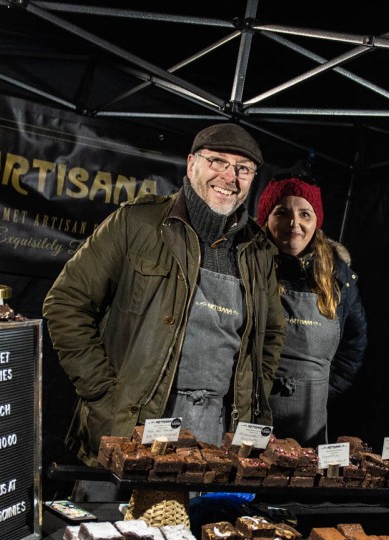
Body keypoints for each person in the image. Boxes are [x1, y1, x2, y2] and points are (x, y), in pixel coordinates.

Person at [43, 123, 287, 463]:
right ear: (191, 165)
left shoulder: (257, 250)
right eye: (217, 162)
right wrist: (104, 394)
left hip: (216, 434)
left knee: (206, 517)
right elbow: (65, 304)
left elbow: (272, 332)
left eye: (242, 169)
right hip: (133, 426)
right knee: (113, 515)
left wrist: (251, 405)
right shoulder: (137, 223)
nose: (229, 177)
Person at [256, 175, 367, 445]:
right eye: (282, 212)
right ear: (265, 220)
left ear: (316, 222)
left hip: (311, 421)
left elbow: (355, 343)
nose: (294, 224)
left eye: (305, 213)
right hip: (254, 415)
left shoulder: (339, 277)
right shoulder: (250, 267)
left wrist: (319, 389)